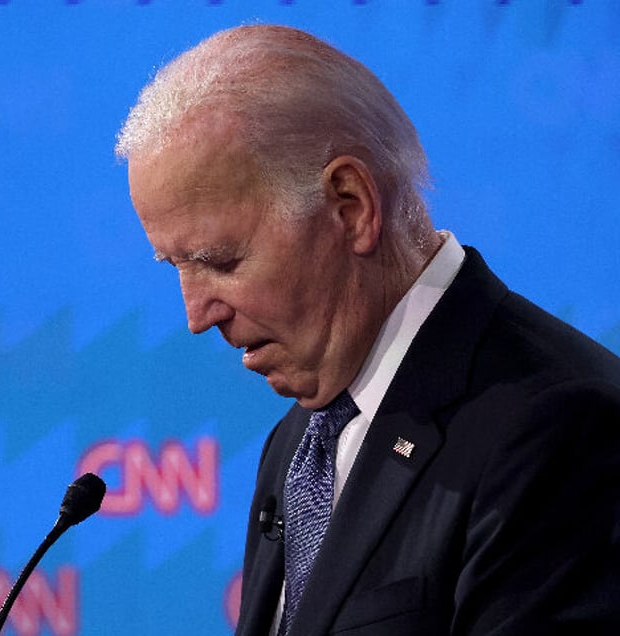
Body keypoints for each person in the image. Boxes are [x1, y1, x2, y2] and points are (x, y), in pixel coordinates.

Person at [115, 24, 620, 636]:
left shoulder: (556, 428)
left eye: (221, 261)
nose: (197, 316)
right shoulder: (298, 443)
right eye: (176, 267)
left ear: (350, 207)